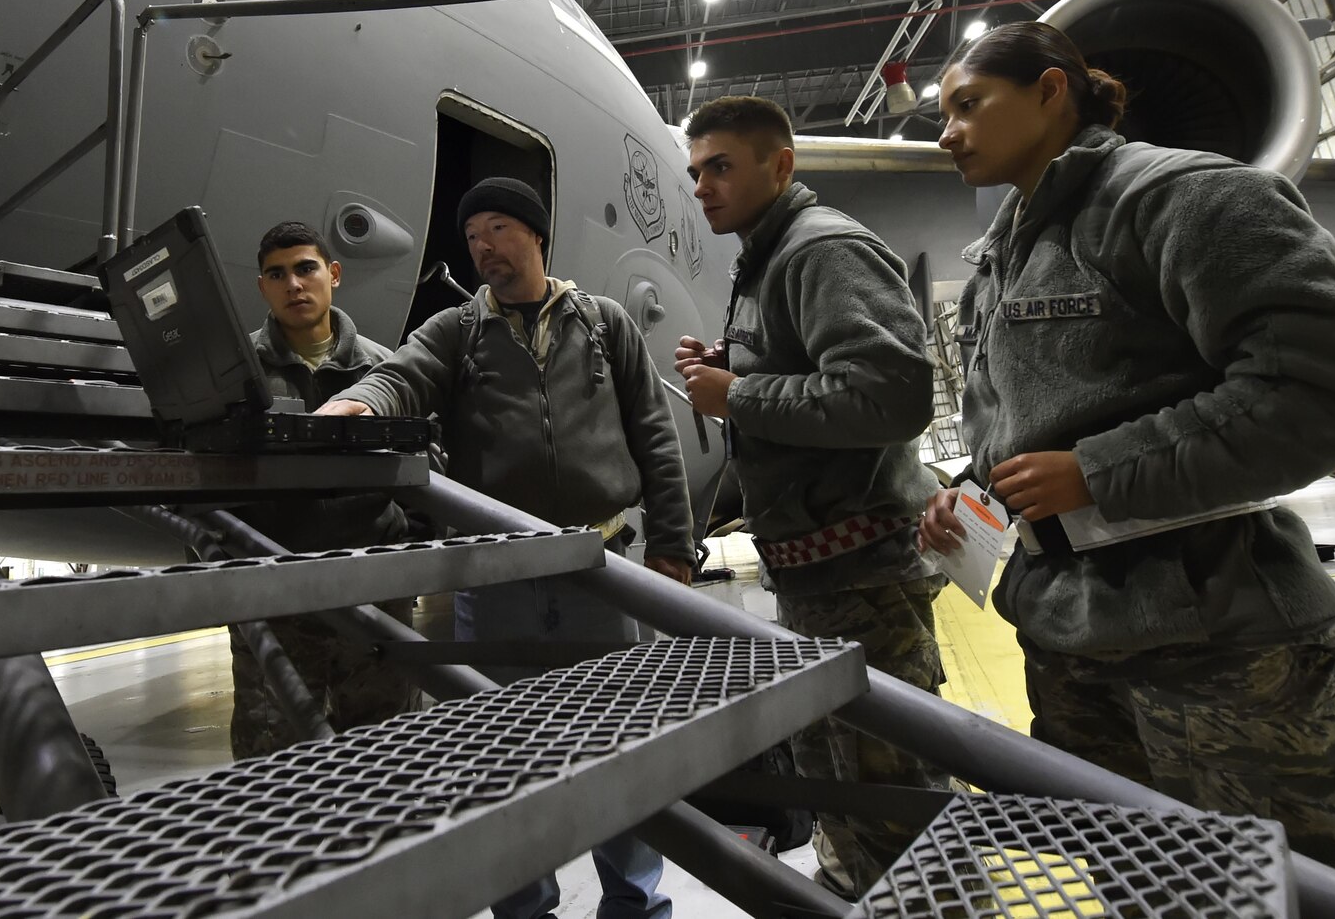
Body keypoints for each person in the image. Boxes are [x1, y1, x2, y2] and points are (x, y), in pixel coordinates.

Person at [917, 21, 1335, 889]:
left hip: (1218, 646)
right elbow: (1024, 430)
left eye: (967, 105)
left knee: (1303, 887)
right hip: (1071, 650)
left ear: (1050, 90)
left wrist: (1096, 471)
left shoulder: (1183, 198)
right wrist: (970, 495)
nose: (945, 132)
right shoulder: (1000, 261)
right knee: (1142, 886)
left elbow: (1324, 394)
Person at [318, 176, 692, 919]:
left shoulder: (604, 322)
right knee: (502, 758)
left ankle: (635, 904)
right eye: (473, 238)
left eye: (497, 229)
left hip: (601, 569)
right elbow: (404, 374)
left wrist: (675, 543)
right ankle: (526, 909)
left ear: (535, 234)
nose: (484, 247)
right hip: (496, 578)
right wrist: (359, 400)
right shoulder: (457, 329)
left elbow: (656, 431)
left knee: (619, 745)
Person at [675, 95, 950, 899]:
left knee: (896, 802)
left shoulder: (820, 249)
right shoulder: (766, 255)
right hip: (817, 579)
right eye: (695, 172)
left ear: (781, 164)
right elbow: (810, 366)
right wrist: (736, 363)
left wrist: (741, 396)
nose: (702, 187)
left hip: (863, 573)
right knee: (844, 791)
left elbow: (892, 396)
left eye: (720, 166)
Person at [225, 221, 417, 759]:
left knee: (387, 756)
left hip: (372, 593)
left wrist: (407, 557)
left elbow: (430, 469)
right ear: (262, 287)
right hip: (275, 599)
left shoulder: (383, 371)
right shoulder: (237, 377)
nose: (294, 284)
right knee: (273, 766)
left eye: (306, 268)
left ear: (333, 275)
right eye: (276, 274)